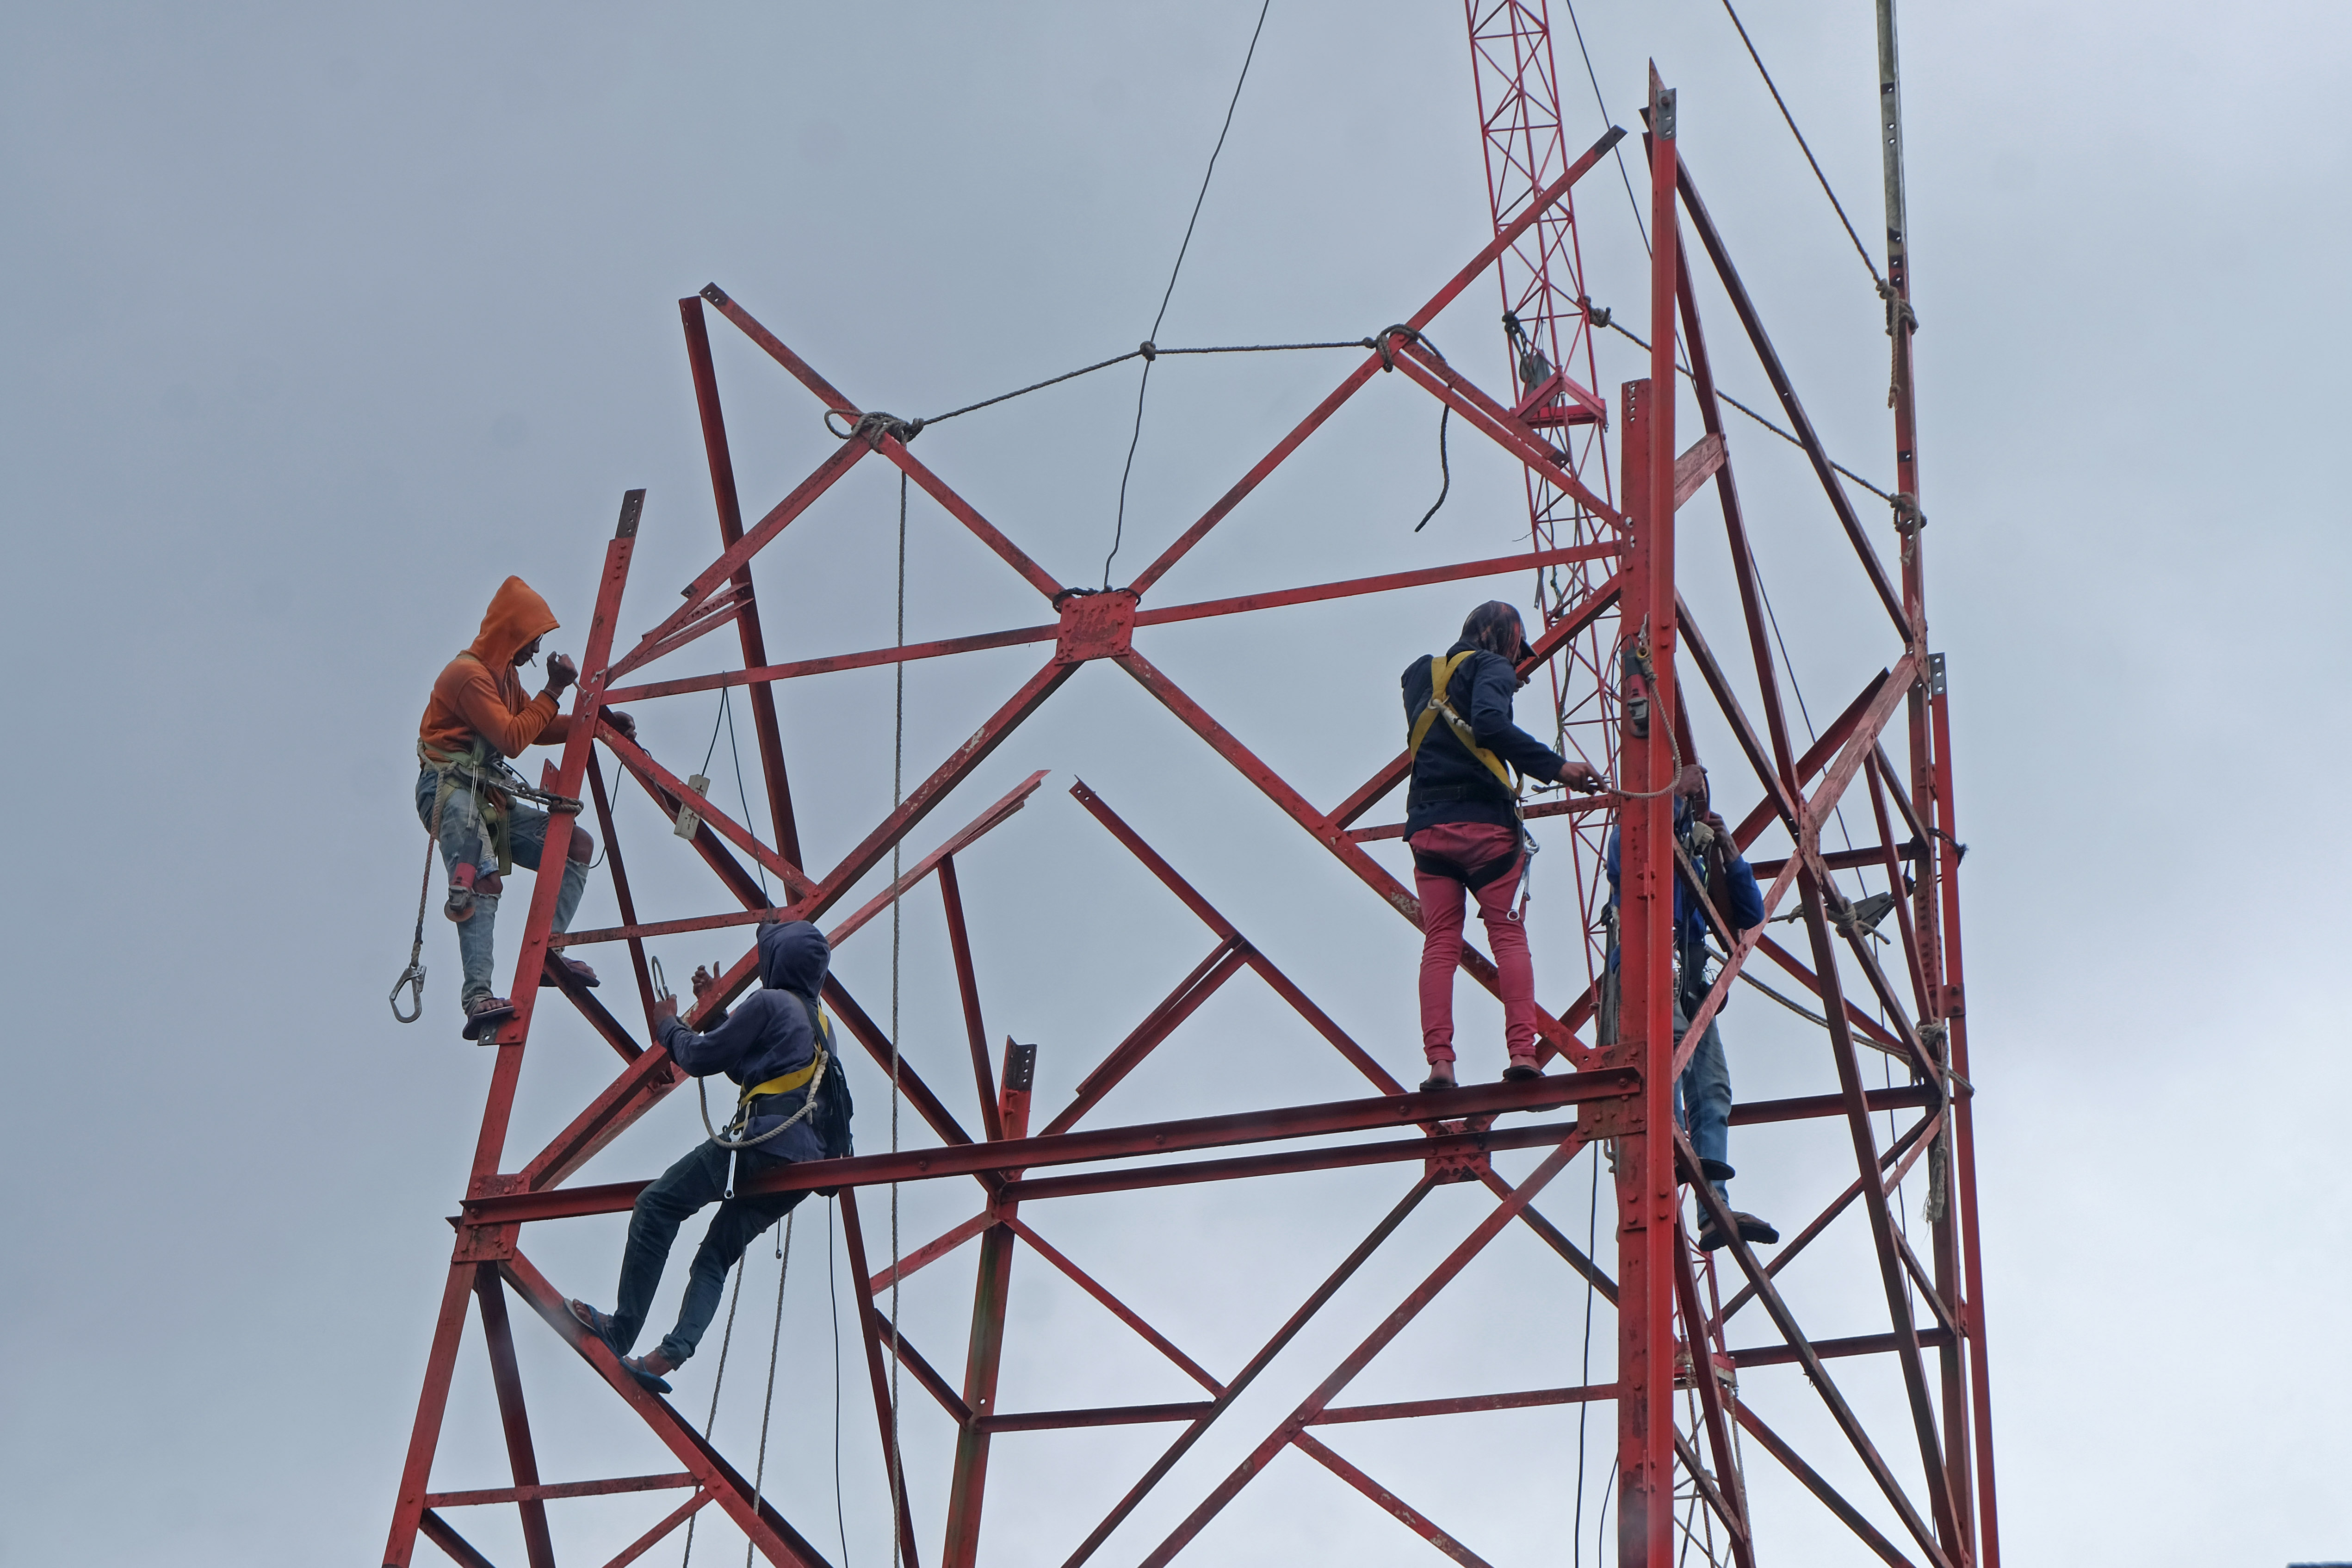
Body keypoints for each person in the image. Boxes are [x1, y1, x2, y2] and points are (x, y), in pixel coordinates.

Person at [568, 918, 855, 1393]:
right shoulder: (821, 1025)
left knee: (657, 1206)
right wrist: (718, 1013)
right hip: (804, 1164)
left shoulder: (768, 1002)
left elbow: (702, 1059)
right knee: (715, 1257)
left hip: (760, 1144)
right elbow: (753, 1068)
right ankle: (668, 1355)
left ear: (775, 961)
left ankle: (621, 1329)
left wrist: (667, 1026)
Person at [415, 575, 632, 1039]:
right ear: (510, 635)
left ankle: (546, 952)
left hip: (486, 795)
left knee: (574, 844)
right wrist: (554, 691)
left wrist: (594, 724)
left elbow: (532, 727)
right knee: (483, 877)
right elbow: (513, 740)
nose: (535, 653)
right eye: (531, 641)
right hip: (449, 792)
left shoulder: (507, 679)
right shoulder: (467, 676)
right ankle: (477, 997)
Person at [1402, 600, 1602, 1090]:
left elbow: (1456, 709)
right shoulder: (1492, 666)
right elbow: (1488, 724)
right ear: (1508, 640)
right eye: (1517, 655)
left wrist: (1499, 678)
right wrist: (1557, 768)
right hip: (1484, 828)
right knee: (1507, 937)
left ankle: (1440, 1064)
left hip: (1428, 828)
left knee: (1439, 943)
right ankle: (1522, 1054)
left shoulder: (1416, 675)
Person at [1605, 764, 1778, 1251]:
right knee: (1672, 1056)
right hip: (1647, 965)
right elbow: (1627, 860)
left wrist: (1726, 849)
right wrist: (1673, 799)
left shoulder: (1697, 855)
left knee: (1714, 1088)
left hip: (1688, 977)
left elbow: (1749, 913)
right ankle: (1670, 1146)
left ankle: (1712, 1205)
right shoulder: (1636, 831)